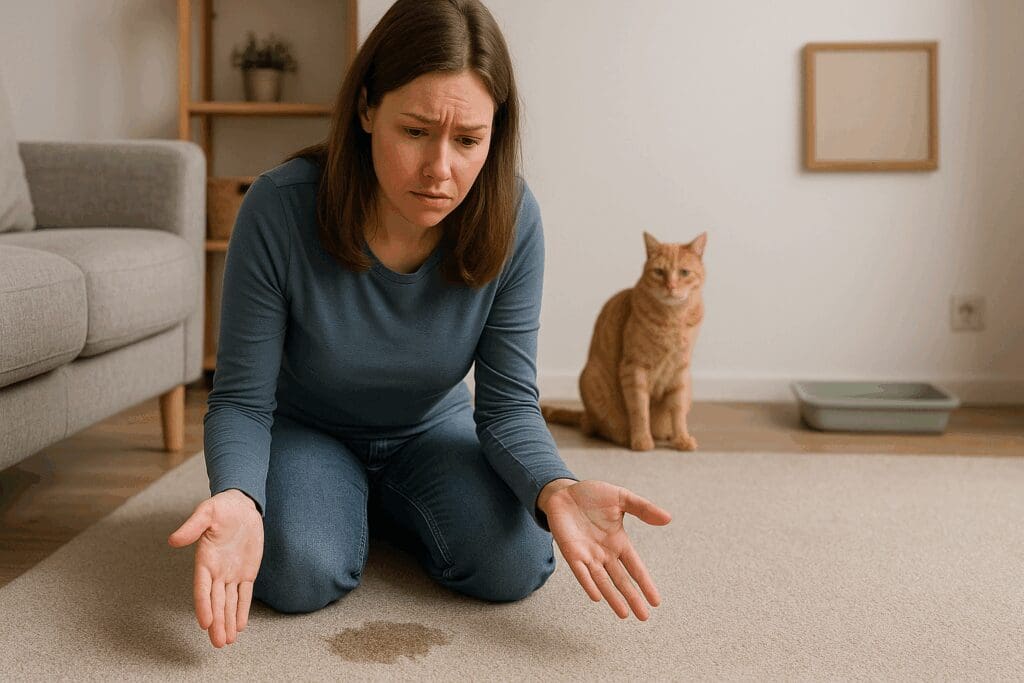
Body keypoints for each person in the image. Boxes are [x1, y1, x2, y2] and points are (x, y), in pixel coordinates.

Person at [167, 0, 672, 649]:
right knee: (297, 572)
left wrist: (558, 487)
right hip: (308, 427)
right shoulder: (279, 207)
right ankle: (339, 501)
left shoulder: (513, 217)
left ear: (495, 131)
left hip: (433, 427)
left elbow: (508, 405)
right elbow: (240, 397)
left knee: (515, 563)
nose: (441, 169)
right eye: (415, 132)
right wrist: (237, 493)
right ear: (368, 108)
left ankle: (377, 507)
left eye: (468, 140)